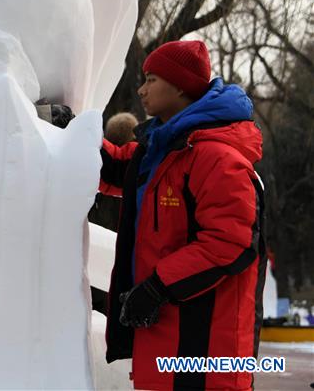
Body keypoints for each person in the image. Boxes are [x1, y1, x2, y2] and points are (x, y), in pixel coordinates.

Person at [99, 40, 266, 390]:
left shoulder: (218, 158)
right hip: (166, 341)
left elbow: (230, 242)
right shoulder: (161, 150)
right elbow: (115, 168)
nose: (141, 90)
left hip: (207, 355)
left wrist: (156, 288)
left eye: (151, 79)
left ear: (180, 86)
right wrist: (67, 130)